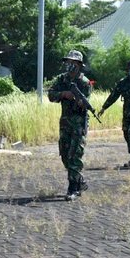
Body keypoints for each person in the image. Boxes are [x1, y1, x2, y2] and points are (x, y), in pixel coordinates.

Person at [47, 50, 92, 201]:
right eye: (68, 62)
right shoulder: (62, 79)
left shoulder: (84, 82)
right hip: (65, 123)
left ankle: (73, 188)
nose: (69, 65)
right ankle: (79, 181)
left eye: (73, 63)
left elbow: (85, 104)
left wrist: (79, 101)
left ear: (79, 65)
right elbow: (51, 95)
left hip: (78, 124)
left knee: (75, 155)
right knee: (65, 154)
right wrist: (63, 94)